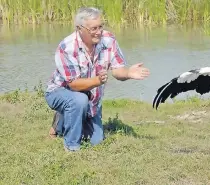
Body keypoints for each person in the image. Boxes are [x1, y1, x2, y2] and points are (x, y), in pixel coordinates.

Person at [45, 7, 150, 152]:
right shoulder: (66, 47)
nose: (99, 32)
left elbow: (117, 70)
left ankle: (63, 120)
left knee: (96, 140)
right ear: (79, 28)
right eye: (93, 28)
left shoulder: (109, 40)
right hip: (60, 91)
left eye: (101, 26)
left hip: (91, 99)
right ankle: (72, 147)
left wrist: (128, 73)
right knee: (78, 100)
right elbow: (74, 85)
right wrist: (97, 81)